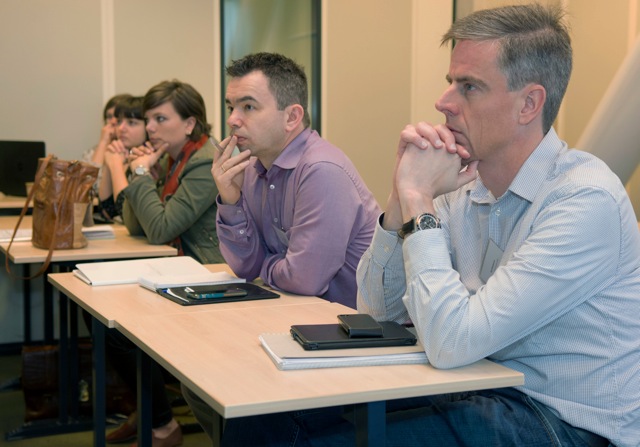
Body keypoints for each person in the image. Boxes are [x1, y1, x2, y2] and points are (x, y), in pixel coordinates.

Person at [217, 4, 640, 447]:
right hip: (471, 383)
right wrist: (400, 197)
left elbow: (453, 340)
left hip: (559, 418)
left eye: (469, 87)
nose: (444, 102)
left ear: (528, 104)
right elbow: (376, 312)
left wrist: (420, 200)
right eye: (450, 82)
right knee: (264, 413)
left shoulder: (584, 199)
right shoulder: (462, 185)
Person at [181, 52, 381, 439]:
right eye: (231, 106)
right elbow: (245, 266)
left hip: (352, 339)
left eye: (248, 106)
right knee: (200, 380)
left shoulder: (321, 170)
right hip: (297, 325)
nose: (232, 119)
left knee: (235, 399)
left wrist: (266, 266)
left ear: (292, 117)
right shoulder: (254, 167)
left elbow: (304, 279)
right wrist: (230, 200)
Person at [103, 80, 224, 447]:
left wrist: (139, 175)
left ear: (189, 124)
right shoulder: (175, 158)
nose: (150, 128)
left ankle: (160, 423)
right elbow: (135, 224)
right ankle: (156, 418)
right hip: (181, 271)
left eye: (160, 118)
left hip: (211, 279)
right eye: (148, 119)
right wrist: (142, 173)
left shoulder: (204, 162)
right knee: (107, 321)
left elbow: (159, 229)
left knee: (118, 330)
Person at [98, 95, 148, 221]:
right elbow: (107, 212)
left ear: (148, 126)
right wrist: (109, 162)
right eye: (119, 122)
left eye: (131, 122)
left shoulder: (151, 161)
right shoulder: (124, 154)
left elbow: (127, 214)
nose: (121, 128)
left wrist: (116, 166)